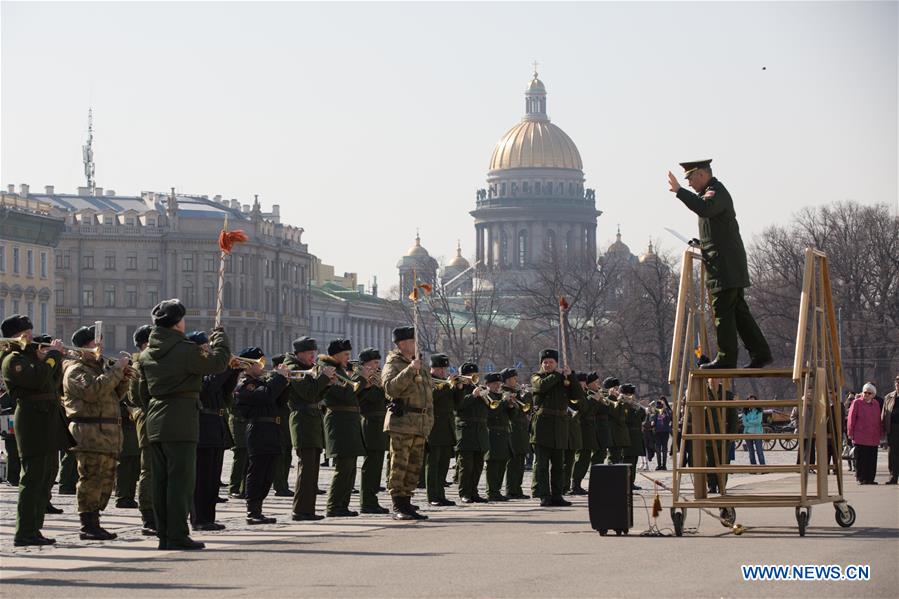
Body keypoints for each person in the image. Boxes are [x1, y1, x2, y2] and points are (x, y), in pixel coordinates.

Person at [141, 299, 230, 551]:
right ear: (178, 323)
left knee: (160, 482)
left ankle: (164, 535)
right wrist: (221, 339)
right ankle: (178, 535)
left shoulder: (147, 353)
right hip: (181, 419)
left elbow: (140, 393)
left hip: (156, 420)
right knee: (181, 482)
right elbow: (217, 364)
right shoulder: (185, 350)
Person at [668, 160, 772, 370]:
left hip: (724, 266)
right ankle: (760, 353)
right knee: (739, 312)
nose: (688, 183)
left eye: (690, 178)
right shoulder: (711, 192)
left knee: (722, 311)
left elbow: (705, 209)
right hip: (725, 263)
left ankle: (726, 358)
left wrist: (679, 192)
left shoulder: (714, 192)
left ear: (702, 175)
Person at [1, 315, 74, 546]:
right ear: (15, 335)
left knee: (45, 477)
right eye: (25, 333)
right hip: (32, 419)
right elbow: (35, 380)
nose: (30, 337)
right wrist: (51, 356)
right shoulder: (12, 359)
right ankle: (24, 531)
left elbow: (51, 381)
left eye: (30, 332)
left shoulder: (33, 358)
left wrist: (51, 358)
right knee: (32, 478)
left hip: (47, 417)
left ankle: (35, 528)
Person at [62, 325, 131, 540]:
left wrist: (124, 378)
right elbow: (93, 392)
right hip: (89, 432)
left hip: (108, 432)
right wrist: (116, 370)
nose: (99, 345)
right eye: (95, 342)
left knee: (106, 479)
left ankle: (96, 519)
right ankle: (88, 524)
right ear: (83, 347)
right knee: (91, 477)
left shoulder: (101, 368)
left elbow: (114, 395)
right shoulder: (76, 370)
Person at [188, 331, 240, 531]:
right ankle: (199, 518)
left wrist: (233, 372)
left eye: (209, 347)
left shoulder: (211, 368)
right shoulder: (196, 368)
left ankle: (209, 517)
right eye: (205, 347)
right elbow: (208, 387)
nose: (209, 351)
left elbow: (224, 392)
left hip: (216, 423)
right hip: (202, 423)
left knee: (212, 478)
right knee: (201, 477)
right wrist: (225, 367)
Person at [233, 347, 290, 524]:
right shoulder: (245, 384)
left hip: (272, 429)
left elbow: (278, 401)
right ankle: (253, 510)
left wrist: (286, 382)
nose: (261, 367)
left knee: (269, 471)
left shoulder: (262, 382)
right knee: (257, 471)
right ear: (248, 365)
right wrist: (278, 378)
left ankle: (259, 508)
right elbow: (265, 396)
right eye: (258, 363)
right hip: (257, 428)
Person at [382, 325, 432, 521]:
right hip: (402, 422)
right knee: (399, 464)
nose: (416, 344)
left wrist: (430, 419)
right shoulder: (393, 364)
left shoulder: (419, 363)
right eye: (413, 341)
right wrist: (410, 371)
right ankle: (398, 504)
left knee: (414, 465)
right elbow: (390, 388)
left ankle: (407, 501)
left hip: (419, 422)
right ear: (402, 344)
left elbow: (428, 396)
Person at [285, 336, 333, 522]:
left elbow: (316, 395)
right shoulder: (294, 369)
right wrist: (323, 378)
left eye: (313, 353)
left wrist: (327, 384)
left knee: (313, 469)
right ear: (300, 354)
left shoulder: (306, 369)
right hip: (302, 419)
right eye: (309, 353)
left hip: (311, 419)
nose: (313, 357)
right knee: (306, 469)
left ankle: (308, 509)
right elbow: (307, 393)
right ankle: (300, 510)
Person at [530, 349, 582, 507]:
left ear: (556, 363)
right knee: (542, 464)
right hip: (542, 425)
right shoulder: (536, 377)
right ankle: (544, 495)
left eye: (551, 362)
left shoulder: (562, 378)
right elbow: (542, 386)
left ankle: (557, 494)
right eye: (545, 362)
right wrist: (559, 375)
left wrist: (571, 376)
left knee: (559, 465)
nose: (547, 364)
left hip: (560, 425)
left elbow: (577, 395)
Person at [320, 339, 365, 517]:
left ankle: (343, 505)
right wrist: (360, 378)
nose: (348, 358)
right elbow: (343, 394)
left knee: (351, 466)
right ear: (335, 354)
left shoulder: (339, 370)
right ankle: (333, 506)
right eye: (346, 354)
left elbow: (353, 396)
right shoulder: (328, 370)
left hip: (348, 420)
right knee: (343, 466)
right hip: (339, 421)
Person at [124, 325, 157, 535]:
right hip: (147, 418)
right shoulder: (139, 365)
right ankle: (148, 514)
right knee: (149, 469)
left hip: (155, 417)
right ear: (146, 343)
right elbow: (137, 397)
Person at [355, 348, 390, 513]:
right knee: (371, 465)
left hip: (380, 424)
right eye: (374, 363)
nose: (377, 366)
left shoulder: (378, 378)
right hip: (370, 423)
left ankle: (372, 499)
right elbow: (360, 399)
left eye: (378, 362)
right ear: (365, 365)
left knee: (377, 465)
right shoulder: (360, 380)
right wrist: (368, 384)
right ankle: (367, 502)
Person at [425, 353, 461, 507]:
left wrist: (458, 389)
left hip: (446, 427)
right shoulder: (428, 380)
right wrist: (447, 385)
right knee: (433, 464)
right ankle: (432, 495)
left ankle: (441, 494)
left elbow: (457, 405)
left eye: (444, 369)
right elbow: (430, 398)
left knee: (444, 464)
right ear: (432, 368)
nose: (443, 371)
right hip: (433, 427)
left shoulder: (445, 383)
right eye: (440, 368)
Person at [454, 362, 489, 504]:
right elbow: (458, 406)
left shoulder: (480, 389)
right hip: (466, 429)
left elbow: (490, 409)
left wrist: (485, 395)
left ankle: (474, 492)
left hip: (480, 430)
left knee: (478, 465)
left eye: (474, 374)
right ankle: (464, 493)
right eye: (468, 375)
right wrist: (473, 396)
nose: (471, 377)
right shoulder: (459, 388)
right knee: (466, 465)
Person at [484, 372, 514, 502]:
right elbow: (492, 412)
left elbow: (511, 417)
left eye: (499, 384)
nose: (497, 386)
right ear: (488, 384)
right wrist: (504, 402)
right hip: (492, 432)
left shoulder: (501, 396)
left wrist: (511, 405)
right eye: (494, 384)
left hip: (503, 433)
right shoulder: (487, 396)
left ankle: (497, 490)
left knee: (502, 462)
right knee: (493, 464)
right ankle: (491, 491)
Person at [502, 368, 531, 500]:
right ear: (507, 380)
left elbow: (526, 409)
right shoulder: (505, 392)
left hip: (521, 429)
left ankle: (517, 489)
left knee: (520, 461)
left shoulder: (516, 392)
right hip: (512, 429)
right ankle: (510, 489)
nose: (516, 380)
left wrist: (527, 395)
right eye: (514, 378)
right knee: (513, 462)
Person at [571, 372, 600, 494]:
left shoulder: (585, 394)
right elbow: (584, 410)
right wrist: (594, 400)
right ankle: (575, 484)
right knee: (581, 458)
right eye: (582, 382)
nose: (584, 384)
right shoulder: (579, 395)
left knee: (586, 457)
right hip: (581, 428)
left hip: (589, 429)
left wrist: (597, 400)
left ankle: (578, 483)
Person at [847, 383, 882, 485]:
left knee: (871, 459)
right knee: (861, 459)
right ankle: (861, 478)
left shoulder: (876, 404)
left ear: (873, 394)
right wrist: (850, 432)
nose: (866, 394)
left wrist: (880, 432)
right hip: (860, 436)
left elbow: (878, 420)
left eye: (869, 393)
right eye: (865, 392)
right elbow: (851, 419)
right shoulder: (857, 402)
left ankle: (870, 478)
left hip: (873, 437)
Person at [620, 384, 646, 490]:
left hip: (636, 437)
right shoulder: (623, 405)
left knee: (634, 461)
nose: (631, 397)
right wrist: (638, 409)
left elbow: (642, 418)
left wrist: (639, 407)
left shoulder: (632, 406)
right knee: (628, 461)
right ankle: (626, 482)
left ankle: (631, 482)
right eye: (629, 394)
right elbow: (633, 419)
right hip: (628, 436)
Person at [562, 374, 585, 493]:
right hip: (564, 429)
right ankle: (561, 486)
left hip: (573, 431)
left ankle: (565, 486)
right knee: (562, 461)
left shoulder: (579, 394)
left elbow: (584, 408)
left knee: (569, 461)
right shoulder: (566, 393)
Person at [605, 377, 629, 464]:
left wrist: (624, 402)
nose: (617, 390)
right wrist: (612, 397)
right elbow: (612, 413)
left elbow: (624, 416)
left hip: (620, 433)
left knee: (619, 457)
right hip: (613, 433)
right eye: (615, 388)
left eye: (617, 388)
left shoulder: (619, 400)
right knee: (613, 458)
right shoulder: (607, 399)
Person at [882, 375, 899, 485]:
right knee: (892, 454)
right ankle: (893, 477)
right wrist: (884, 429)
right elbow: (884, 414)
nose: (898, 383)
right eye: (897, 381)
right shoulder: (888, 397)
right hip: (892, 428)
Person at [650, 397, 672, 470]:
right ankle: (659, 465)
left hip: (665, 432)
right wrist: (652, 421)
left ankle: (664, 465)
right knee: (658, 449)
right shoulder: (657, 409)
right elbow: (653, 417)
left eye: (663, 402)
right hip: (657, 432)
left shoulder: (667, 410)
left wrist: (665, 408)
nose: (661, 404)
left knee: (664, 449)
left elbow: (669, 418)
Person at [742, 397, 766, 466]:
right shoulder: (745, 411)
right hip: (747, 433)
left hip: (757, 433)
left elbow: (759, 421)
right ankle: (753, 469)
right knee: (751, 452)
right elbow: (744, 423)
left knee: (759, 451)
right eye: (749, 402)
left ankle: (763, 468)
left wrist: (749, 421)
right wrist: (753, 422)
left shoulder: (759, 411)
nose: (751, 403)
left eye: (753, 401)